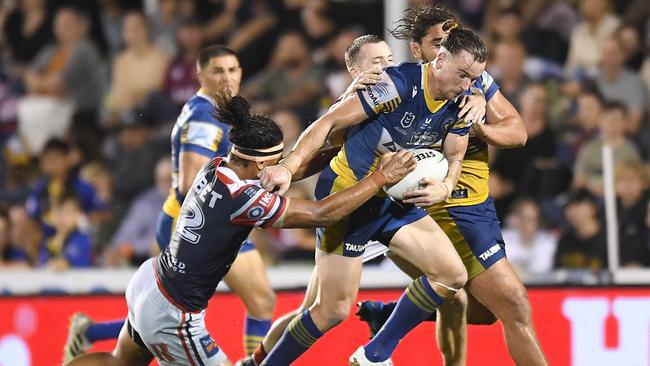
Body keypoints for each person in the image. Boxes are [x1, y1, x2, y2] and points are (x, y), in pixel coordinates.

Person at [64, 95, 416, 366]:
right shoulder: (243, 197)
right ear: (261, 164)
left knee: (118, 362)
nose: (283, 168)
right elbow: (322, 214)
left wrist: (342, 149)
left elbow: (292, 170)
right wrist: (380, 178)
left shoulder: (218, 166)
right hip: (175, 313)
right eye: (277, 161)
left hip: (151, 281)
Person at [258, 27, 488, 365]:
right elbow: (329, 122)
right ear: (439, 60)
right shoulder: (397, 85)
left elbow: (455, 156)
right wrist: (288, 168)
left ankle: (374, 354)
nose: (468, 85)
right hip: (347, 195)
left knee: (452, 276)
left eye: (475, 79)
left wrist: (447, 186)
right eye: (464, 75)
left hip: (392, 198)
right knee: (330, 310)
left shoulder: (463, 101)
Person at [353, 5, 547, 366]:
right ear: (419, 50)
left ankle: (391, 315)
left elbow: (518, 132)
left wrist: (480, 126)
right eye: (438, 42)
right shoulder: (396, 85)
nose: (448, 47)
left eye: (452, 39)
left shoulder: (474, 82)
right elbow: (352, 135)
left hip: (477, 202)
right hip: (442, 205)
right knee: (512, 304)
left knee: (473, 307)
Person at [62, 46, 276, 361]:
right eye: (218, 71)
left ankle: (91, 333)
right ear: (200, 75)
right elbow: (192, 180)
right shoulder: (206, 114)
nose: (227, 78)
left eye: (233, 70)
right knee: (260, 302)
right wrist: (242, 207)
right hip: (198, 224)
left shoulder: (214, 110)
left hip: (191, 220)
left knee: (142, 341)